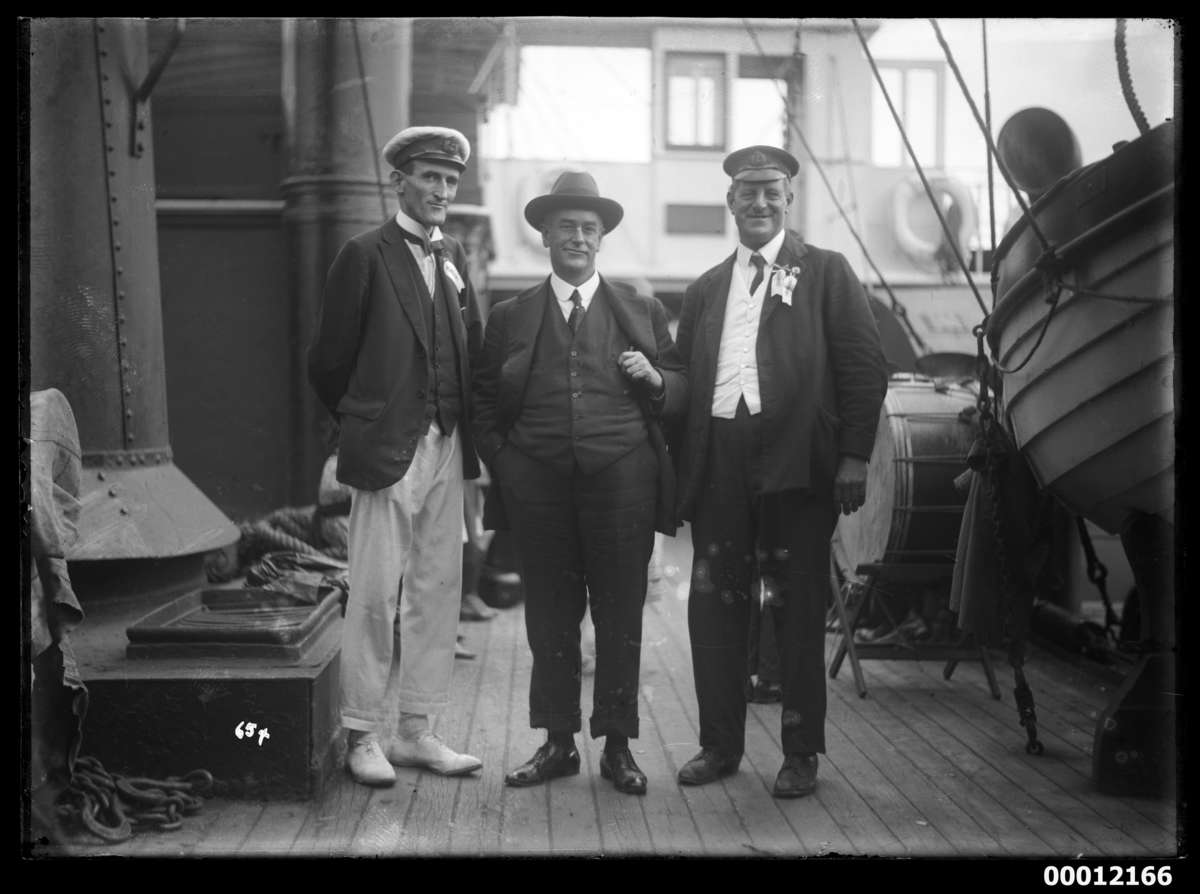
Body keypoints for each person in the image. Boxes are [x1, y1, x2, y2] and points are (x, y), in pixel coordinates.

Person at [672, 145, 888, 798]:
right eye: (747, 192)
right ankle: (719, 745)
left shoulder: (825, 272)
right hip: (720, 468)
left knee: (796, 612)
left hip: (798, 466)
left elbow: (862, 367)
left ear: (789, 201)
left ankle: (801, 751)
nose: (760, 203)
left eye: (772, 192)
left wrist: (852, 457)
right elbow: (683, 380)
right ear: (730, 203)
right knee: (714, 608)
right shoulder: (706, 288)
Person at [472, 170, 686, 795]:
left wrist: (656, 378)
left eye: (589, 228)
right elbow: (484, 402)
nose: (578, 237)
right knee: (550, 617)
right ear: (544, 234)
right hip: (536, 488)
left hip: (622, 483)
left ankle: (617, 746)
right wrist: (507, 463)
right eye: (566, 226)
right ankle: (558, 743)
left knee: (620, 616)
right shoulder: (510, 316)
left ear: (602, 240)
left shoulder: (642, 311)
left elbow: (679, 391)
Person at [307, 126, 484, 787]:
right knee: (376, 593)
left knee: (438, 589)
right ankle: (361, 735)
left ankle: (416, 731)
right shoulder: (364, 254)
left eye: (449, 179)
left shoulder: (454, 254)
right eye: (429, 177)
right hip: (388, 448)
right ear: (399, 181)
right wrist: (366, 422)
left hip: (448, 442)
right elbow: (327, 363)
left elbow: (465, 347)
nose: (441, 189)